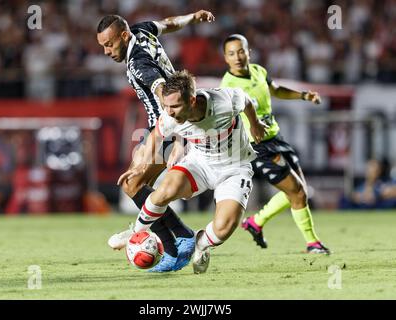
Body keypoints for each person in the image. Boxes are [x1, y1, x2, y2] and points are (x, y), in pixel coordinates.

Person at [96, 10, 215, 272]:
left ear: (123, 36)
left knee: (132, 183)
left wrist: (178, 130)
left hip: (167, 126)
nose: (106, 51)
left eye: (109, 44)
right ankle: (172, 236)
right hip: (167, 126)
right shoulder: (142, 30)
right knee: (138, 186)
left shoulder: (138, 63)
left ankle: (176, 243)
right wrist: (193, 18)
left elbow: (162, 89)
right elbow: (169, 24)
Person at [117, 70, 268, 274]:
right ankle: (136, 233)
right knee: (163, 192)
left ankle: (201, 243)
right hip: (199, 163)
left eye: (175, 106)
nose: (169, 112)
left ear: (192, 101)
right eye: (166, 106)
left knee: (225, 227)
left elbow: (247, 100)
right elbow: (155, 137)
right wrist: (139, 167)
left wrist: (255, 124)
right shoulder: (170, 116)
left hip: (234, 168)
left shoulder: (224, 102)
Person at [220, 34, 330, 254]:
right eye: (231, 53)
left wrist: (304, 96)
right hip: (257, 147)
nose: (238, 57)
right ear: (225, 58)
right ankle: (312, 243)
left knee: (300, 190)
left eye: (241, 51)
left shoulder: (259, 71)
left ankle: (256, 222)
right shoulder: (228, 85)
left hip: (276, 138)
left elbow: (276, 89)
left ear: (248, 52)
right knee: (297, 192)